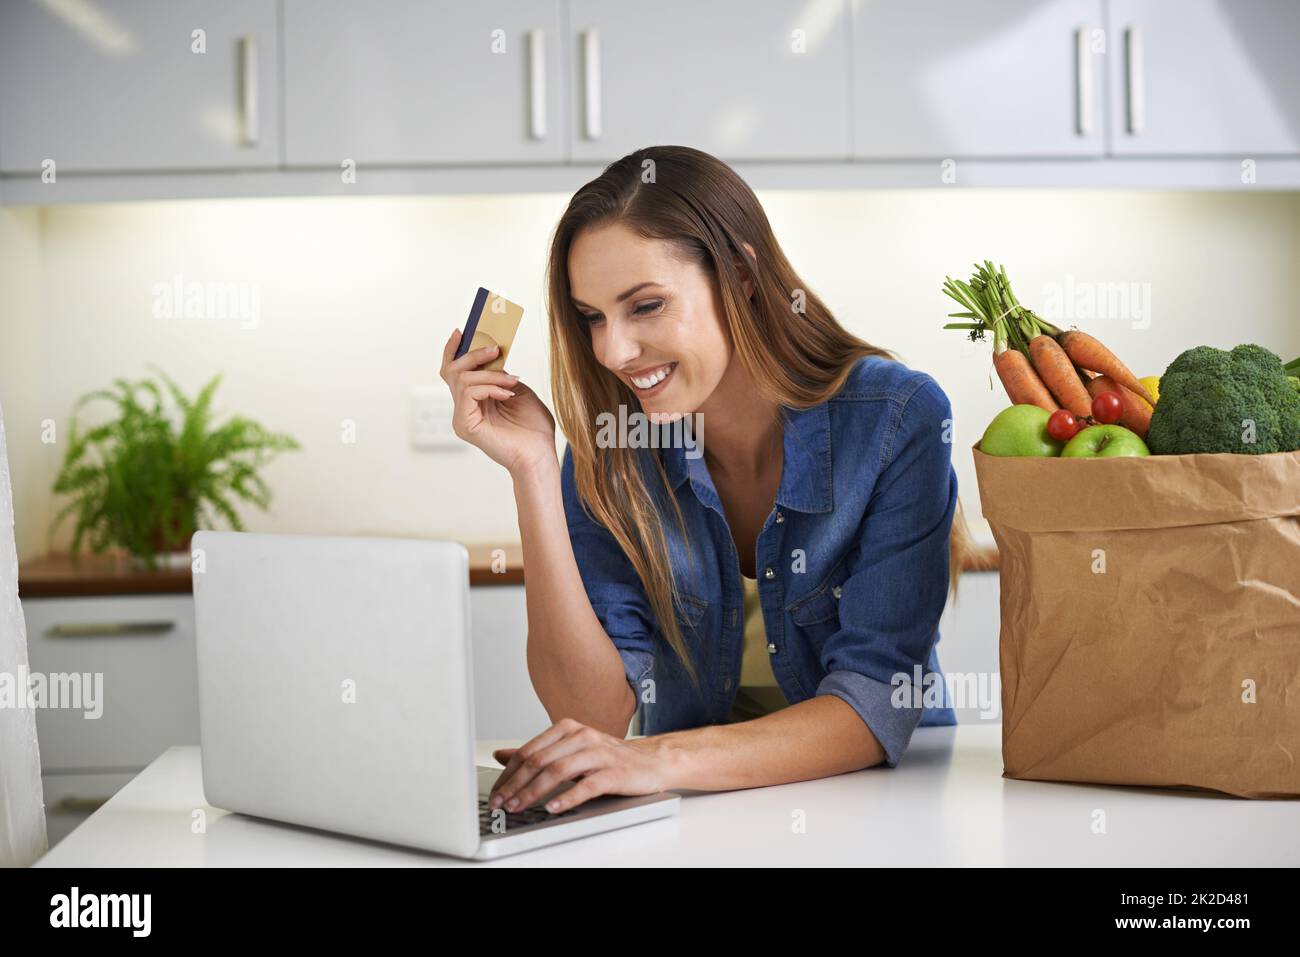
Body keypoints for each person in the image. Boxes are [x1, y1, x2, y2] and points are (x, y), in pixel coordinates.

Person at [439, 145, 972, 816]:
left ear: (741, 275)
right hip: (701, 817)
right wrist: (534, 469)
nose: (612, 351)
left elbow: (872, 705)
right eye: (593, 317)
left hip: (885, 811)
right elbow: (590, 713)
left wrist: (654, 758)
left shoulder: (897, 420)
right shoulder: (616, 447)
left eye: (647, 305)